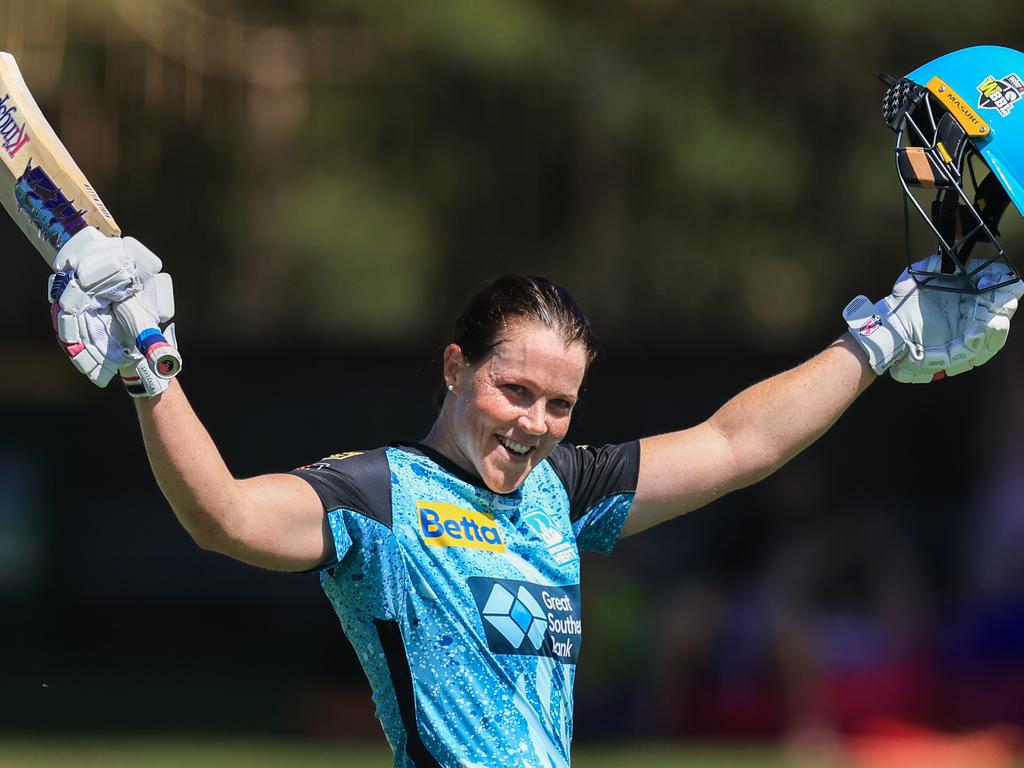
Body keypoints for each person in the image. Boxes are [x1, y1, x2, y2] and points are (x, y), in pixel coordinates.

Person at [40, 47, 1024, 768]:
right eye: (516, 390)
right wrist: (148, 372)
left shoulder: (565, 489)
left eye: (559, 404)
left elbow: (738, 441)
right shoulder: (376, 496)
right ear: (455, 367)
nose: (534, 422)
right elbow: (223, 515)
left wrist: (881, 337)